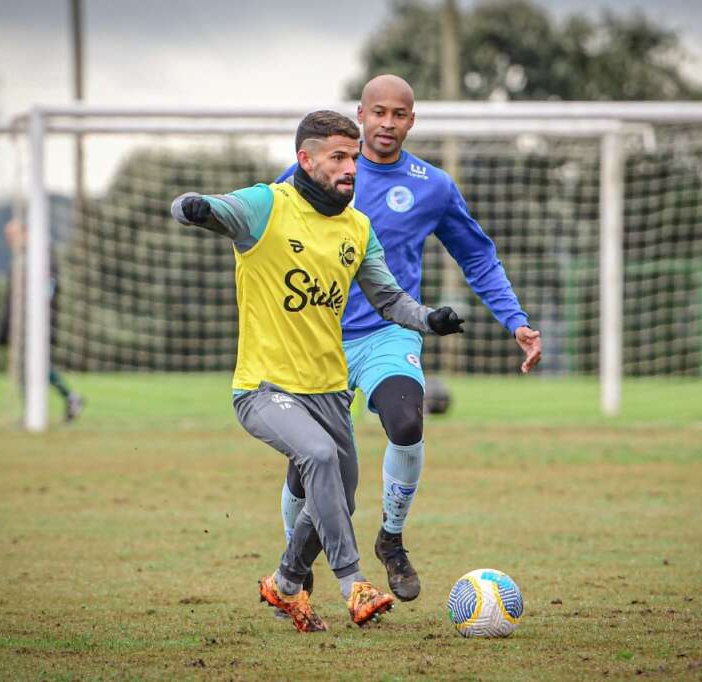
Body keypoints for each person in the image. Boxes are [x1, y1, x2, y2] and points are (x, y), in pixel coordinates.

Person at [170, 110, 465, 632]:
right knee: (318, 455)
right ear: (305, 160)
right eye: (339, 157)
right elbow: (218, 209)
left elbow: (390, 300)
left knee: (339, 494)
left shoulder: (357, 227)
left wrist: (429, 319)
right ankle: (355, 585)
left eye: (354, 157)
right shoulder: (267, 205)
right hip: (264, 387)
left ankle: (284, 584)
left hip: (328, 390)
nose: (352, 166)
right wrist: (195, 209)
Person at [275, 75, 542, 602]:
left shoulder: (432, 185)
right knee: (309, 463)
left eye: (399, 114)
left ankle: (391, 540)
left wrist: (516, 321)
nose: (387, 124)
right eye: (378, 113)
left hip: (387, 333)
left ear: (411, 121)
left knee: (407, 420)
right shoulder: (313, 172)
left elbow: (477, 255)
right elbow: (266, 227)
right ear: (361, 115)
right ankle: (296, 563)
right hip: (317, 338)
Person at [0, 220, 84, 422]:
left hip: (39, 324)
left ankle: (54, 404)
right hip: (24, 325)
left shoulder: (41, 257)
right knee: (30, 366)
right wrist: (6, 328)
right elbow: (13, 300)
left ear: (25, 234)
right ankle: (64, 400)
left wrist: (42, 314)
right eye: (7, 237)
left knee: (34, 365)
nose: (9, 240)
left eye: (12, 235)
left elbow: (50, 287)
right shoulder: (20, 260)